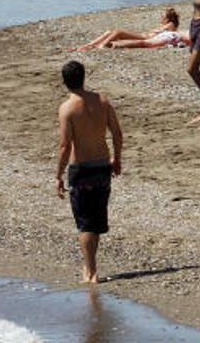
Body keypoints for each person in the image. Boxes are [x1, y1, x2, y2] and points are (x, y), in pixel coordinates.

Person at [54, 61, 123, 283]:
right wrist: (117, 158)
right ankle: (90, 267)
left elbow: (65, 146)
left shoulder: (67, 108)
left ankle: (90, 271)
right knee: (95, 219)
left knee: (86, 222)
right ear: (83, 77)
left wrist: (58, 175)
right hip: (102, 165)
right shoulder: (102, 101)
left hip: (81, 169)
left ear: (64, 82)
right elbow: (117, 133)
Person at [73, 8, 184, 51]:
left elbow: (168, 30)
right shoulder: (166, 24)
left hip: (145, 38)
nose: (161, 18)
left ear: (168, 18)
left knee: (118, 32)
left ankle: (101, 46)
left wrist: (158, 29)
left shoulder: (170, 24)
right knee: (109, 32)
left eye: (163, 16)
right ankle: (90, 45)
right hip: (143, 35)